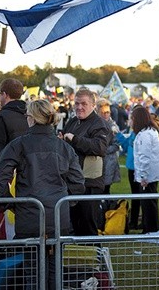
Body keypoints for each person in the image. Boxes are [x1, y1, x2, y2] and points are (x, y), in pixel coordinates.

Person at [0, 99, 85, 290]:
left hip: (32, 215)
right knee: (54, 270)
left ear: (32, 119)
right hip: (55, 217)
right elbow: (78, 182)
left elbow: (0, 170)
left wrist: (8, 201)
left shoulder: (20, 144)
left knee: (33, 272)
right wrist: (68, 202)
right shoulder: (63, 147)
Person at [60, 88, 113, 235]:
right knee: (73, 224)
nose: (79, 107)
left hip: (90, 183)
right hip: (72, 181)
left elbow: (99, 147)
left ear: (93, 105)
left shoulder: (100, 124)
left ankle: (94, 256)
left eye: (84, 103)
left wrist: (74, 139)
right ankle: (79, 256)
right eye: (76, 103)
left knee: (88, 225)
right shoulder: (72, 121)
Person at [0, 78, 28, 241]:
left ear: (4, 94)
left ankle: (4, 250)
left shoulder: (2, 117)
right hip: (26, 171)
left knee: (3, 217)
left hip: (7, 173)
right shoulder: (29, 114)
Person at [131, 106, 159, 233]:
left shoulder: (146, 134)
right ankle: (148, 227)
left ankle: (151, 228)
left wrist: (143, 177)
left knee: (149, 203)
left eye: (133, 118)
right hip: (149, 174)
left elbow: (144, 157)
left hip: (148, 176)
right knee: (148, 202)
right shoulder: (148, 132)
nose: (131, 121)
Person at [96, 99, 121, 194]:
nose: (106, 115)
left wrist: (102, 150)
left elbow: (116, 145)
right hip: (96, 162)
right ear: (98, 112)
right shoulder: (95, 124)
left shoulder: (113, 126)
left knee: (106, 189)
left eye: (108, 112)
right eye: (103, 113)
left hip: (108, 162)